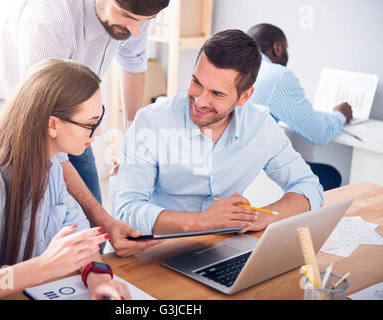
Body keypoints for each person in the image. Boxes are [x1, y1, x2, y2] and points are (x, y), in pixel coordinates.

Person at [0, 0, 169, 256]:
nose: (135, 31)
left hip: (71, 117)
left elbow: (133, 62)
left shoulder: (136, 14)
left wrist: (130, 139)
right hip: (8, 112)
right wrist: (103, 218)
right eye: (128, 18)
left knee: (91, 237)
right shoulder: (48, 19)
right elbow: (45, 126)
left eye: (145, 22)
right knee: (16, 243)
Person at [0, 59, 131, 300]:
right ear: (52, 124)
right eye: (91, 123)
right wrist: (43, 267)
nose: (98, 132)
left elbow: (80, 239)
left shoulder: (53, 171)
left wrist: (98, 278)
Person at [110, 30, 324, 235]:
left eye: (217, 94)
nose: (201, 100)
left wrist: (261, 217)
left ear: (244, 97)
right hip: (155, 248)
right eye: (197, 82)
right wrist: (202, 221)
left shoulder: (260, 125)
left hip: (219, 246)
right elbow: (127, 210)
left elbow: (309, 186)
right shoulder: (152, 122)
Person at [247, 23, 353, 191]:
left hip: (238, 168)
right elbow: (320, 135)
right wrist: (340, 114)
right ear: (277, 48)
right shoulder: (277, 75)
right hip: (258, 176)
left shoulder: (239, 69)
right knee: (331, 175)